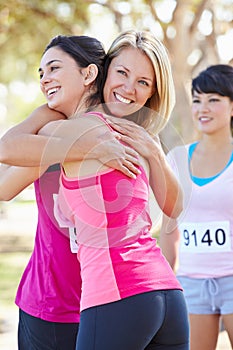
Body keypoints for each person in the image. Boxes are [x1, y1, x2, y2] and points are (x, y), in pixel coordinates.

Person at [38, 30, 189, 350]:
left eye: (143, 83)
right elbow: (175, 210)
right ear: (104, 72)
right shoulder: (140, 138)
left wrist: (44, 115)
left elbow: (8, 149)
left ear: (152, 94)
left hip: (117, 297)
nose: (129, 88)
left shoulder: (82, 130)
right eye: (122, 73)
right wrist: (155, 153)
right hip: (169, 301)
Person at [0, 34, 140, 350]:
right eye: (40, 73)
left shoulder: (112, 130)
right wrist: (78, 146)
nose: (44, 79)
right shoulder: (50, 129)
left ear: (89, 74)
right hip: (49, 303)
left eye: (53, 68)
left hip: (102, 301)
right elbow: (4, 183)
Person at [159, 64, 233, 350]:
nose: (204, 108)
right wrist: (165, 287)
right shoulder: (176, 158)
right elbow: (169, 228)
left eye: (214, 100)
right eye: (198, 100)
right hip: (191, 284)